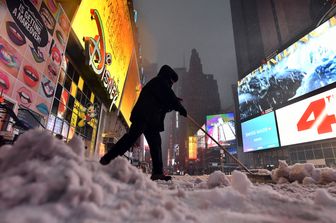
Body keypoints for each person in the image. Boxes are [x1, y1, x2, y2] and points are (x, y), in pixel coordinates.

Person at [99, 65, 187, 181]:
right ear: (167, 77)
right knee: (131, 138)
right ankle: (107, 159)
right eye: (171, 81)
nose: (171, 84)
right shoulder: (159, 81)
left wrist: (175, 104)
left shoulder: (161, 86)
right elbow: (168, 95)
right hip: (143, 116)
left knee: (156, 144)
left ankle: (157, 173)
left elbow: (164, 103)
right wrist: (178, 106)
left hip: (151, 121)